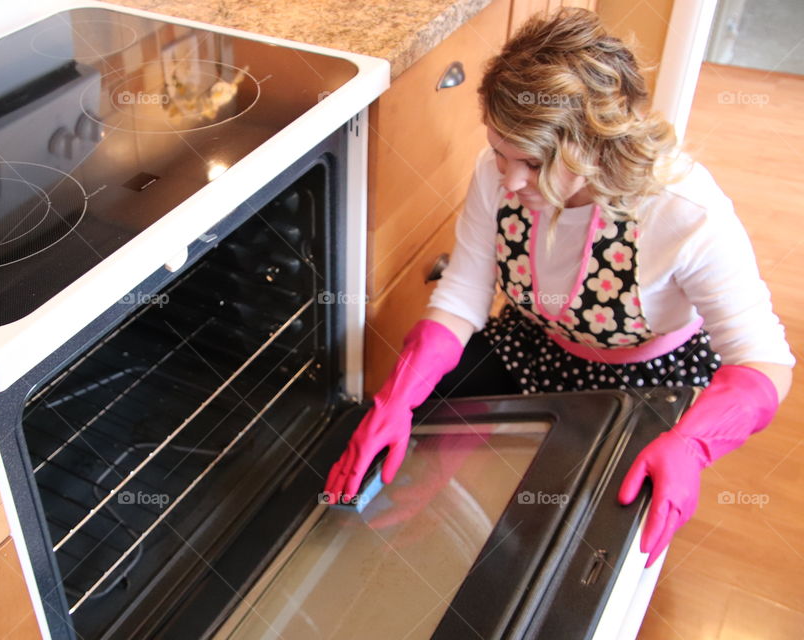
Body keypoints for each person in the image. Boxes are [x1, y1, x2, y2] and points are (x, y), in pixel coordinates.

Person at [324, 8, 793, 567]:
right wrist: (399, 394)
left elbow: (765, 362)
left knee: (582, 536)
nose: (511, 180)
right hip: (533, 347)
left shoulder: (685, 213)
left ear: (599, 146)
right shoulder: (497, 176)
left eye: (534, 162)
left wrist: (693, 444)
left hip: (644, 380)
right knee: (419, 436)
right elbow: (461, 297)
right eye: (500, 151)